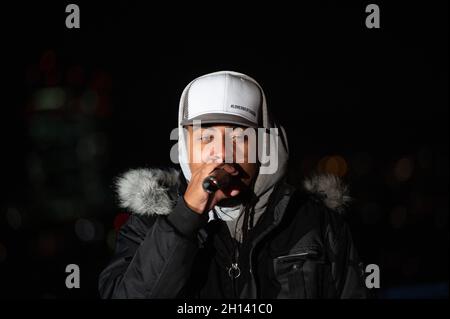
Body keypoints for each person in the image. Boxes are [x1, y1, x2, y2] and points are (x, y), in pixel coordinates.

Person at [98, 70, 368, 298]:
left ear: (266, 147)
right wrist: (184, 219)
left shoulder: (317, 224)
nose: (222, 154)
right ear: (184, 149)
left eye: (240, 138)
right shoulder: (148, 225)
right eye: (205, 138)